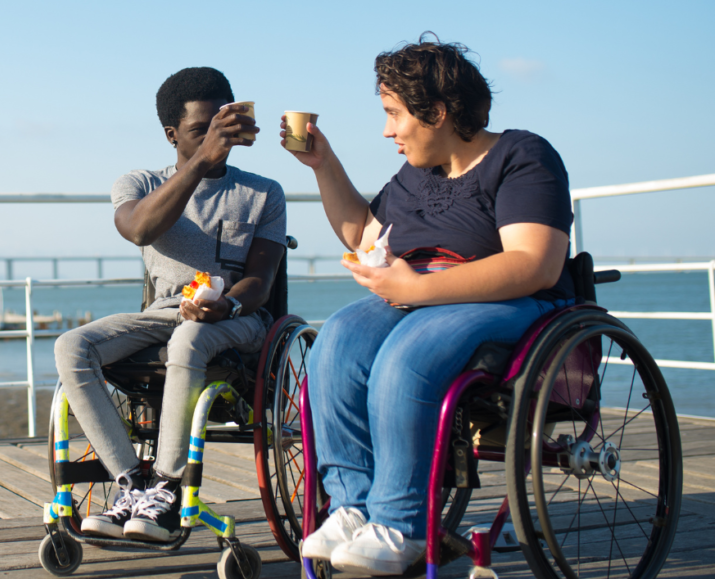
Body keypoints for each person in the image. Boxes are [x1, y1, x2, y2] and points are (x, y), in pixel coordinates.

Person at [285, 35, 574, 575]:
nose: (388, 129)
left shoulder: (522, 156)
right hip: (414, 296)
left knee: (408, 355)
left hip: (508, 302)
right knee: (337, 340)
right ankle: (351, 507)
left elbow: (535, 263)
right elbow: (360, 232)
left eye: (395, 114)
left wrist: (417, 290)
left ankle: (400, 522)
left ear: (437, 112)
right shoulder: (417, 173)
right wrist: (324, 165)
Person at [54, 67, 287, 543]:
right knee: (71, 346)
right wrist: (200, 163)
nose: (214, 141)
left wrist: (228, 305)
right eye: (201, 131)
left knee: (189, 335)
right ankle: (134, 485)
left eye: (221, 127)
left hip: (237, 319)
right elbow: (139, 228)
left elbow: (261, 281)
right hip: (161, 313)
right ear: (172, 134)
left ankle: (167, 484)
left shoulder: (264, 192)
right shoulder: (137, 182)